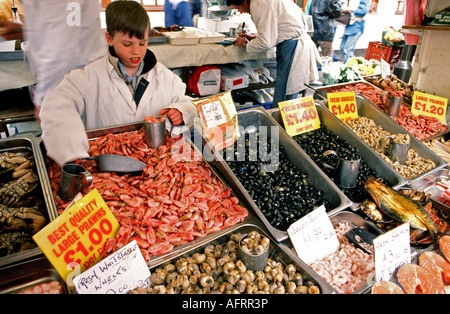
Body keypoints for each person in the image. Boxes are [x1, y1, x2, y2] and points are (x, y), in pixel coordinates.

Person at [39, 0, 197, 167]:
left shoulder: (164, 76)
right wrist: (74, 152)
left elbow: (189, 103)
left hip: (156, 163)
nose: (136, 51)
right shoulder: (89, 77)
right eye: (127, 44)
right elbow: (56, 105)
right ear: (109, 38)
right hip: (106, 164)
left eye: (142, 43)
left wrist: (182, 111)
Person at [228, 0, 319, 108]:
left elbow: (266, 42)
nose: (241, 12)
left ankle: (278, 123)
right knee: (289, 91)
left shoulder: (259, 3)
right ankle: (283, 121)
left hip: (291, 46)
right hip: (294, 43)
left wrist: (246, 44)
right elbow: (278, 29)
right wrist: (255, 38)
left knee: (284, 93)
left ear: (244, 1)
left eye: (238, 8)